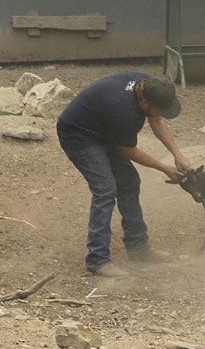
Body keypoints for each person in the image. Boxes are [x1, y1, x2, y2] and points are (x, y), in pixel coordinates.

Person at [57, 72, 191, 278]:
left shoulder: (151, 86)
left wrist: (177, 154)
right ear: (144, 101)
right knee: (105, 189)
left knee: (129, 182)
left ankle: (138, 248)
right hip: (79, 135)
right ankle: (97, 260)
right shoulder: (123, 110)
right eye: (158, 108)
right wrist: (164, 167)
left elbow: (156, 120)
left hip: (105, 130)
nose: (160, 112)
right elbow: (130, 151)